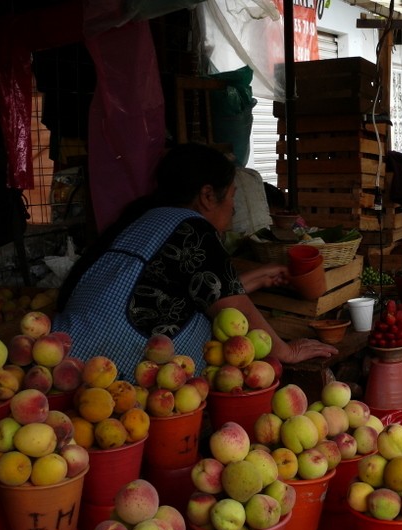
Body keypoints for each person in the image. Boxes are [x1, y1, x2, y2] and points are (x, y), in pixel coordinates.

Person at [53, 143, 337, 381]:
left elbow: (186, 291)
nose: (234, 208)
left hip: (58, 362)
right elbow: (233, 308)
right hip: (112, 376)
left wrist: (259, 278)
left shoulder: (143, 219)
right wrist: (288, 352)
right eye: (232, 196)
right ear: (208, 195)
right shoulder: (194, 228)